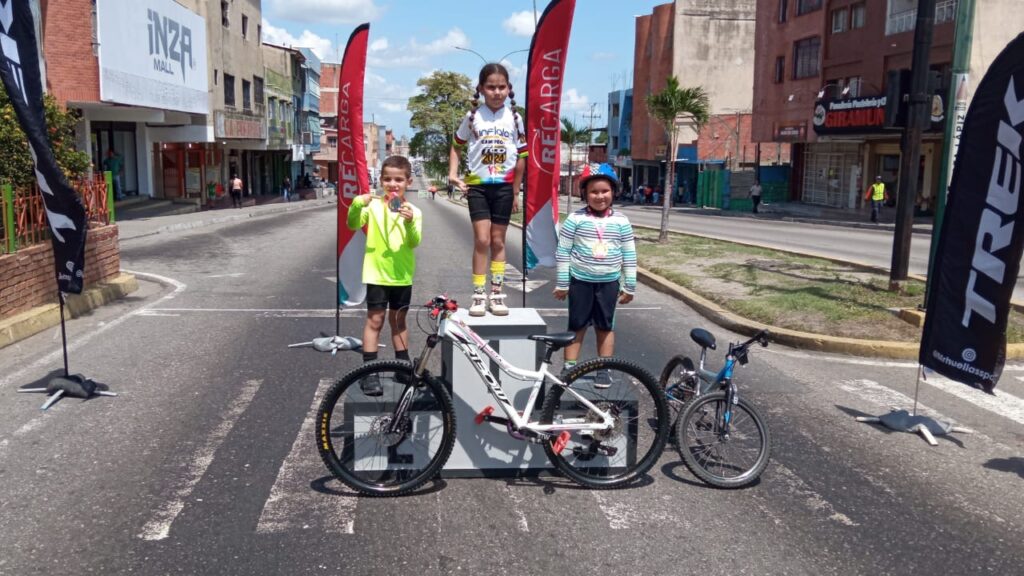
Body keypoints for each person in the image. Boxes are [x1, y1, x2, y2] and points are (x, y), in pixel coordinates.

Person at [449, 62, 526, 317]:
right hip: (478, 187)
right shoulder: (472, 117)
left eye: (501, 87)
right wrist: (452, 174)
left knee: (497, 240)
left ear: (509, 89)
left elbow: (522, 156)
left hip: (504, 187)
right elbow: (456, 146)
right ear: (481, 88)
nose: (496, 92)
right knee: (482, 240)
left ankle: (497, 293)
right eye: (491, 87)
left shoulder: (515, 118)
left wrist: (516, 191)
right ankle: (479, 294)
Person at [347, 155, 423, 396]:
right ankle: (369, 373)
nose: (393, 184)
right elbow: (352, 224)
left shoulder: (414, 211)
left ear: (408, 182)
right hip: (376, 274)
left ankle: (402, 366)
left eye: (399, 180)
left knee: (399, 322)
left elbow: (414, 241)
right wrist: (357, 204)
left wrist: (410, 223)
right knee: (375, 321)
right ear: (380, 181)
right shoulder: (373, 206)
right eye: (388, 179)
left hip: (401, 276)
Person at [553, 170, 637, 388]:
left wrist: (630, 285)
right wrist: (563, 283)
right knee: (577, 324)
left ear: (613, 192)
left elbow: (629, 254)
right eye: (594, 192)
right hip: (580, 280)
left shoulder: (621, 221)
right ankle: (570, 367)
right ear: (585, 194)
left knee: (605, 326)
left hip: (609, 282)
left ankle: (604, 368)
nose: (600, 196)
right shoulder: (575, 219)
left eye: (605, 191)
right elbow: (563, 252)